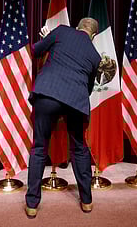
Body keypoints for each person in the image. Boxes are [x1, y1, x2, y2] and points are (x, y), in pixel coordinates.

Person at [25, 17, 101, 219]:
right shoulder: (95, 56)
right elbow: (89, 88)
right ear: (93, 36)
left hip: (48, 93)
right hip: (75, 101)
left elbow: (35, 51)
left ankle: (32, 204)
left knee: (40, 148)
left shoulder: (61, 31)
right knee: (79, 149)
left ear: (77, 27)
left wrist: (47, 39)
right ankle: (87, 201)